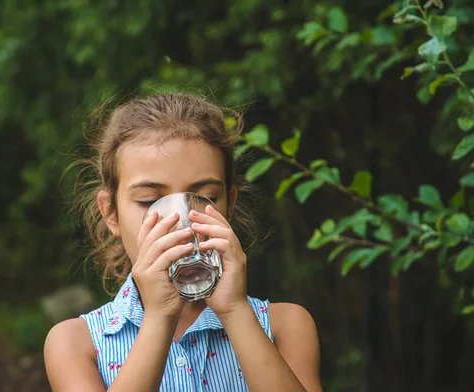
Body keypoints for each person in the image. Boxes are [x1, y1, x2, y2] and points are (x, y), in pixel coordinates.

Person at [44, 93, 322, 392]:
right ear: (111, 213)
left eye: (205, 197)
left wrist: (234, 311)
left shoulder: (285, 325)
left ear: (228, 205)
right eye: (150, 201)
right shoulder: (75, 342)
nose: (179, 221)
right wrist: (159, 317)